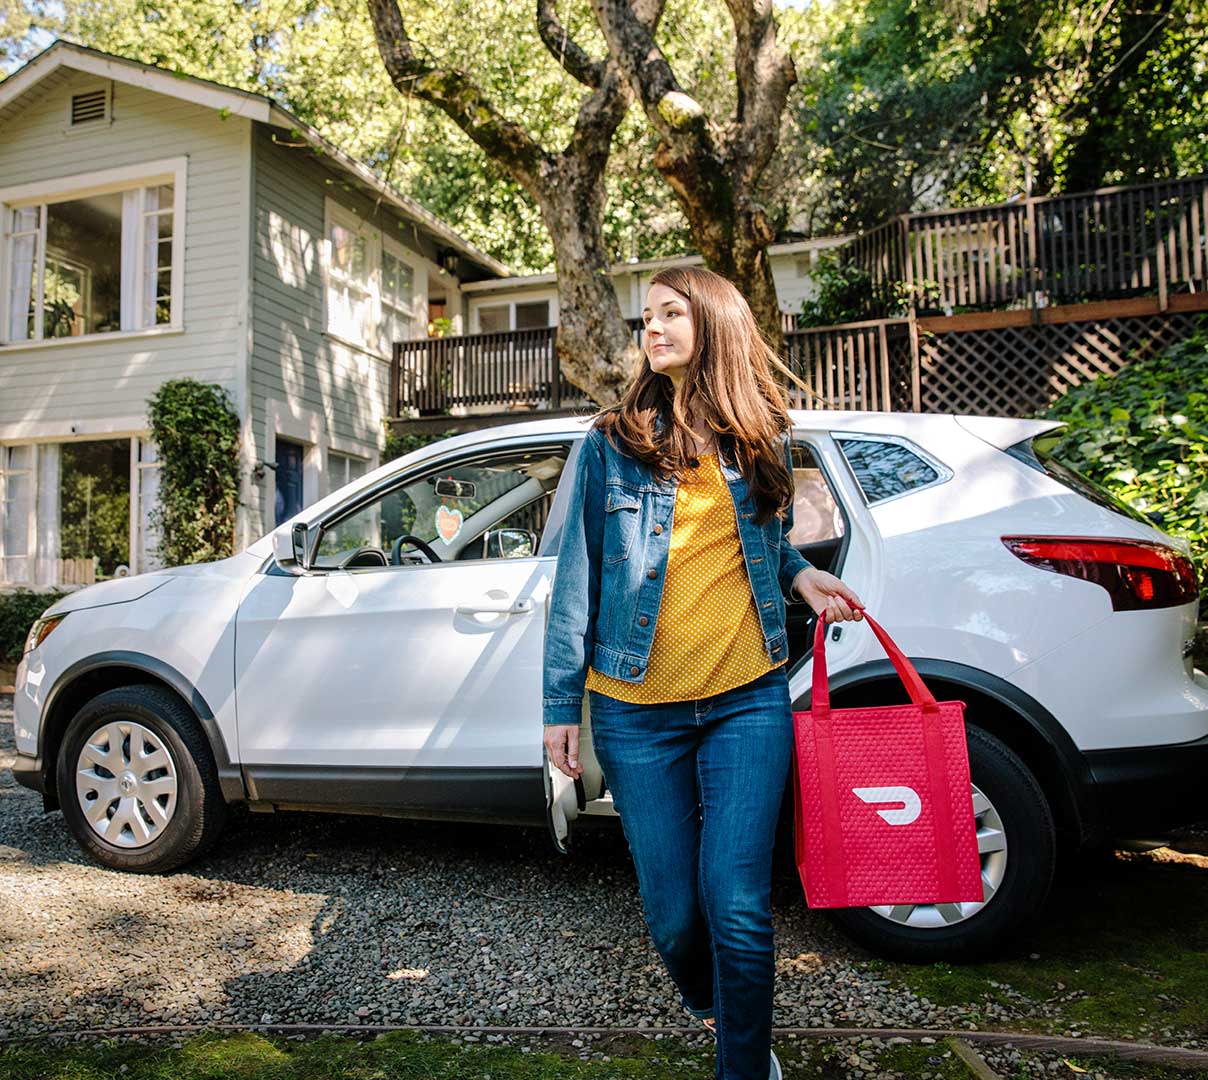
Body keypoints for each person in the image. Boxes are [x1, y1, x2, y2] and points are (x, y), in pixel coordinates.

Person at [542, 266, 865, 1080]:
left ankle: (745, 1065)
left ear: (712, 322)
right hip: (634, 712)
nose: (651, 329)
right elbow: (576, 577)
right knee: (676, 919)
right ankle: (718, 1006)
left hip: (746, 701)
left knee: (739, 906)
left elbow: (763, 539)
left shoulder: (762, 435)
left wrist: (799, 575)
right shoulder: (610, 443)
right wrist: (559, 706)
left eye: (670, 313)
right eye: (646, 317)